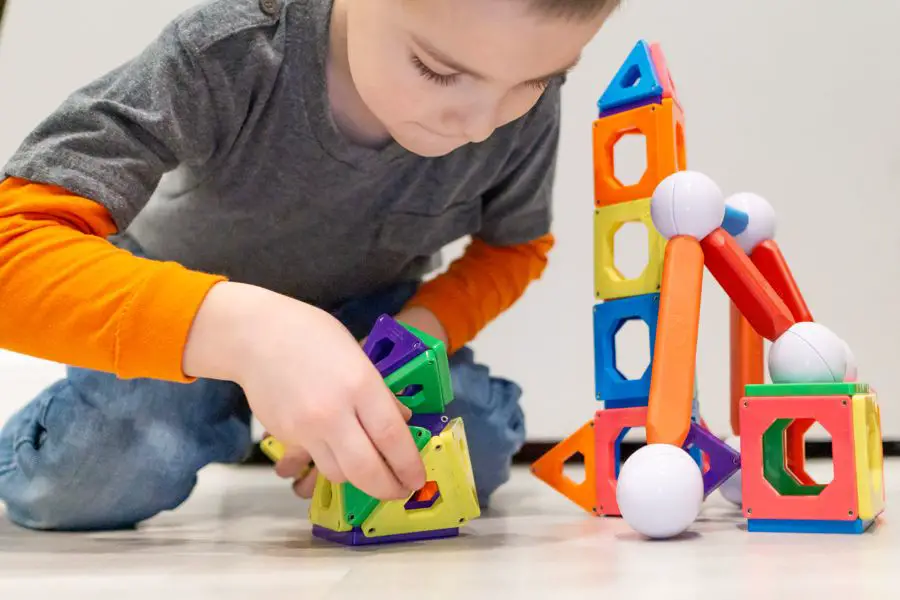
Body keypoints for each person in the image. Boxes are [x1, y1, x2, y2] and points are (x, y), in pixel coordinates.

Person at [0, 0, 617, 531]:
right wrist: (247, 337)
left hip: (369, 319)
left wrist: (419, 333)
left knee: (467, 454)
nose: (481, 124)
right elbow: (12, 244)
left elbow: (515, 247)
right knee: (87, 482)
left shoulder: (516, 97)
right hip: (182, 314)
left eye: (537, 80)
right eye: (437, 70)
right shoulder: (229, 52)